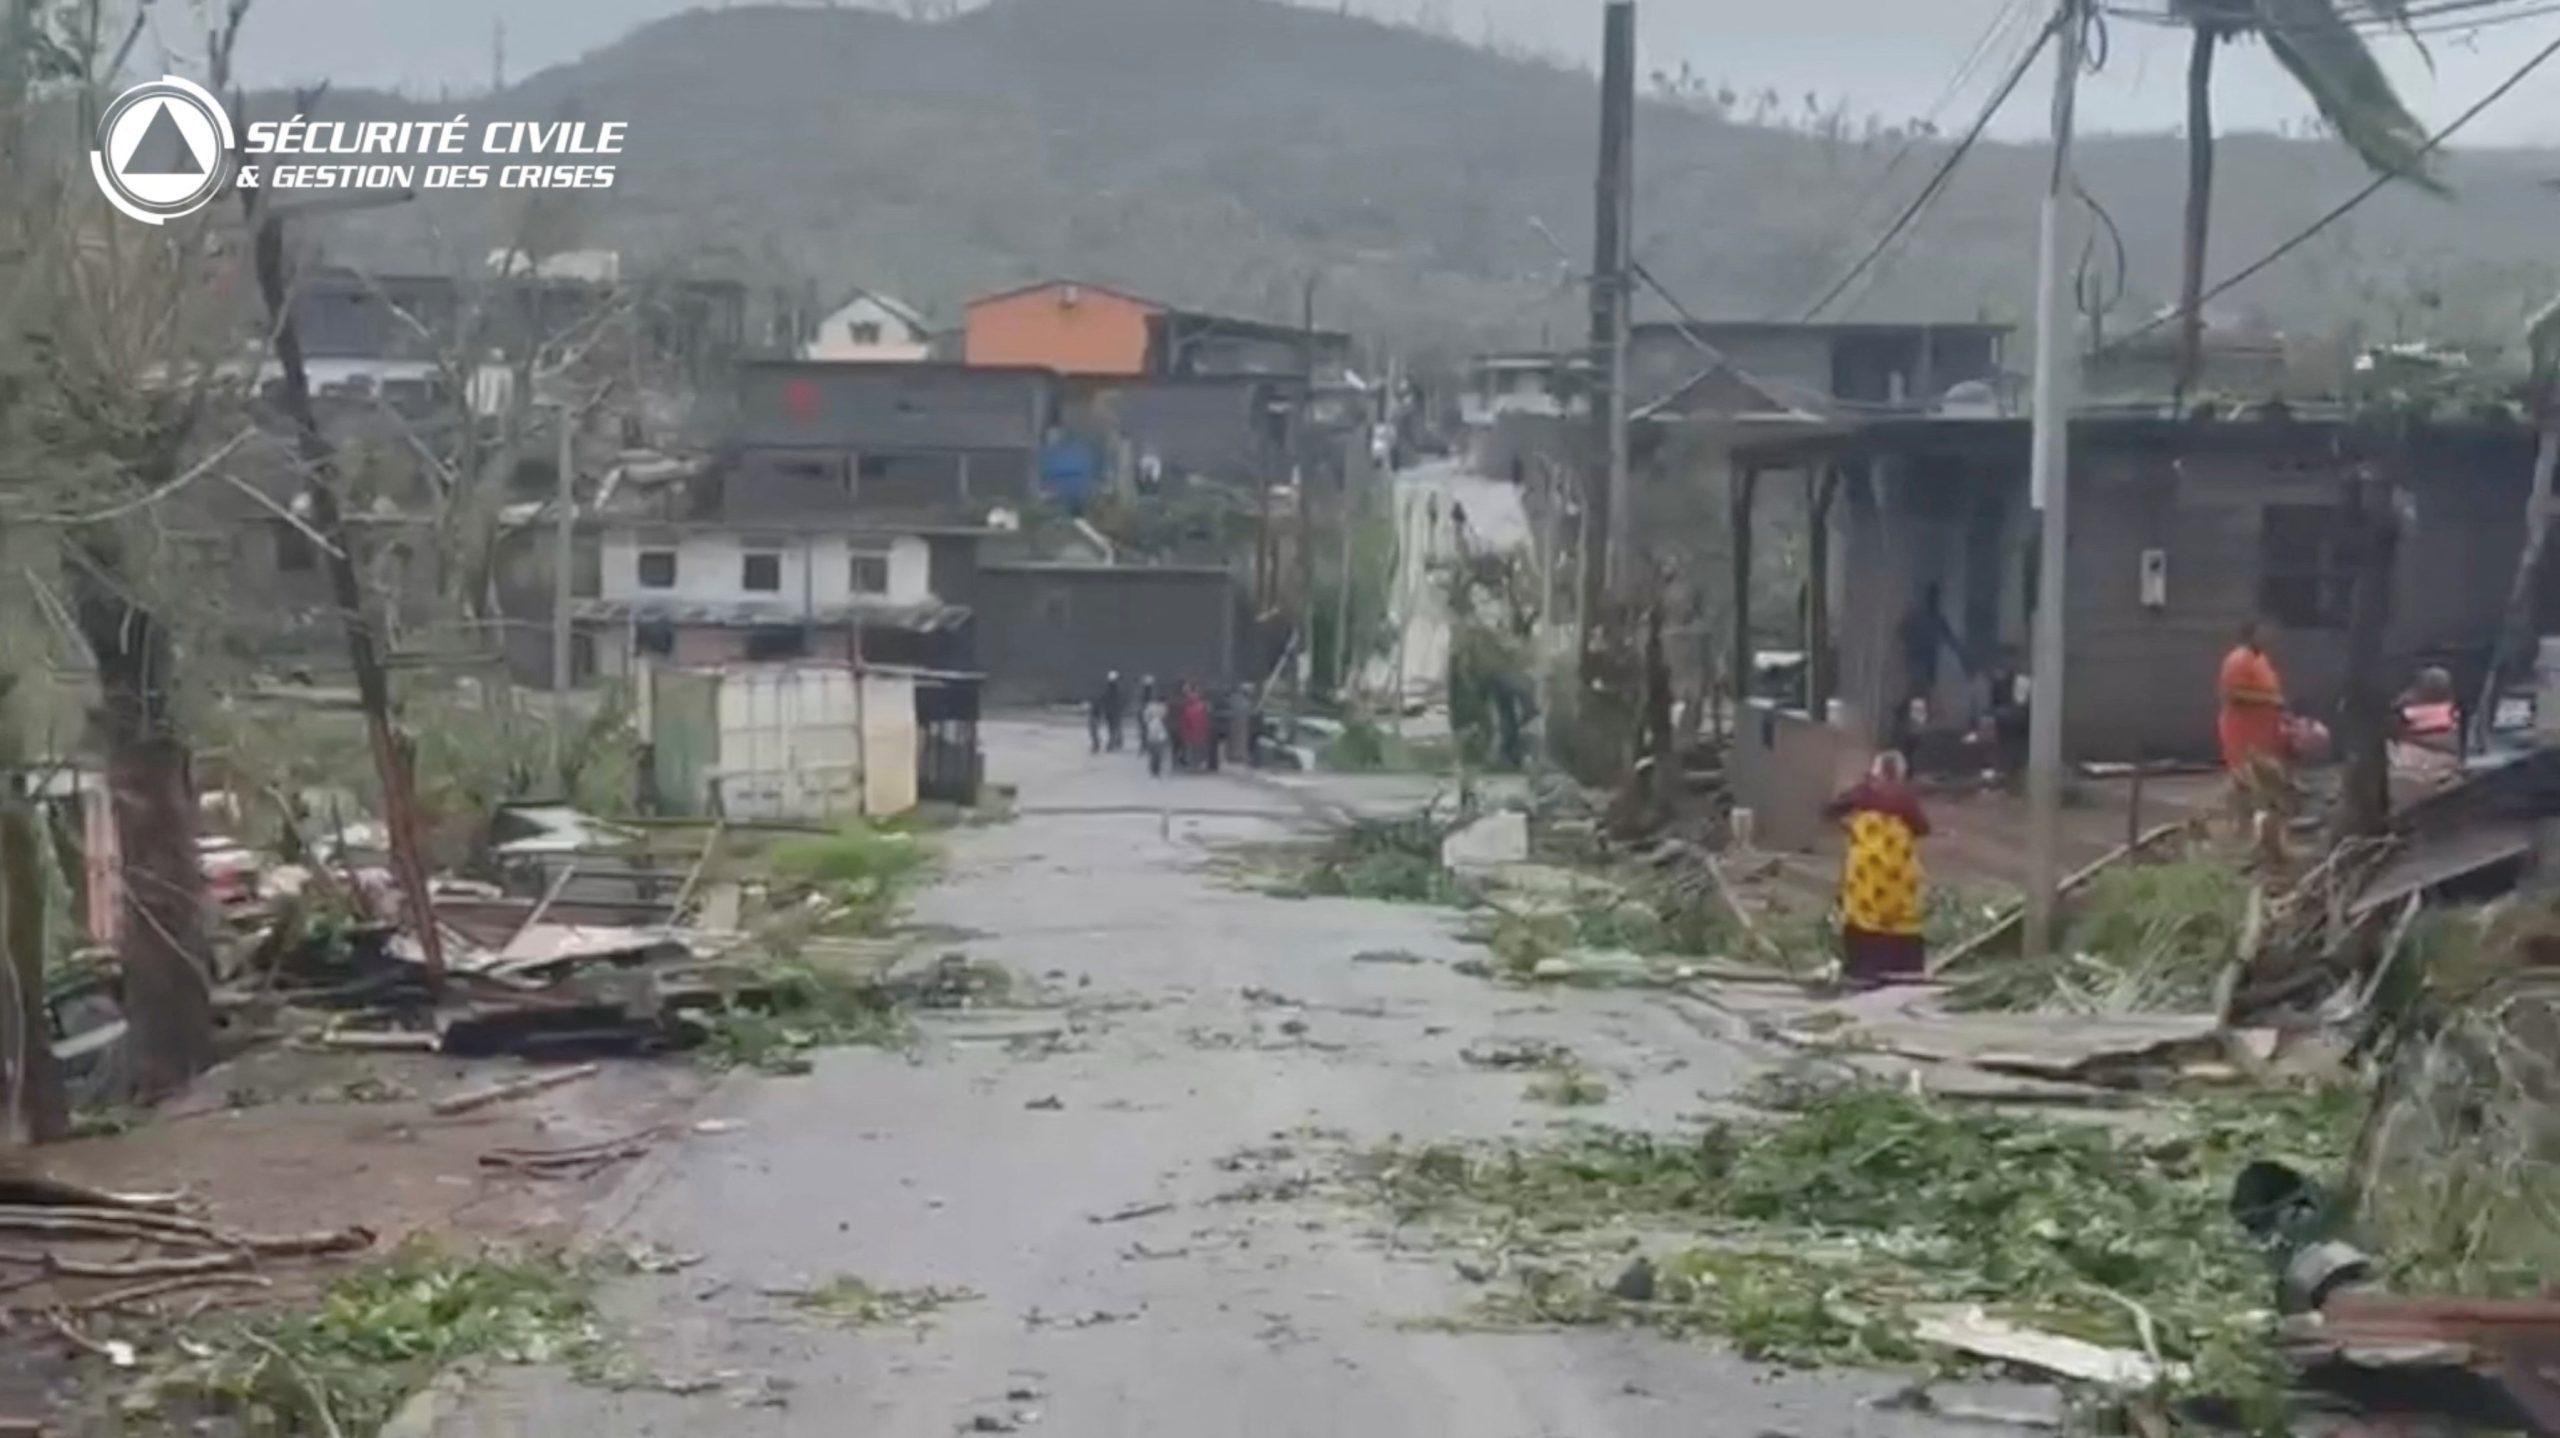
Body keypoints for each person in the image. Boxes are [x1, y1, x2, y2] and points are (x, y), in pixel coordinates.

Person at [1824, 751, 1933, 989]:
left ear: (1876, 770)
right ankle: (1903, 969)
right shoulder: (1906, 798)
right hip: (1897, 872)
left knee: (1863, 914)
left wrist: (1851, 828)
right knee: (1900, 915)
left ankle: (1863, 968)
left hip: (1867, 869)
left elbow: (1831, 810)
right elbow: (1923, 828)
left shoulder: (1863, 792)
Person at [2218, 619, 2292, 859]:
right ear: (2252, 634)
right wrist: (2267, 700)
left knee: (2264, 788)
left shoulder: (2260, 659)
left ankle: (2258, 840)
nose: (2272, 635)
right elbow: (2231, 693)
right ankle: (2244, 837)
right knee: (2249, 785)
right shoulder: (2238, 659)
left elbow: (2270, 691)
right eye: (2266, 631)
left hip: (2265, 733)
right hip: (2243, 733)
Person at [1175, 681, 1212, 772]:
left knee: (1191, 748)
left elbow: (1184, 721)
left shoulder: (1188, 707)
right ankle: (1198, 763)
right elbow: (1206, 719)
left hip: (1191, 731)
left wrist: (1183, 731)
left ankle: (1193, 763)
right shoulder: (1202, 705)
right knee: (1198, 748)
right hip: (1199, 731)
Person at [1137, 678, 1168, 778]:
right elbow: (1166, 718)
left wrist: (1145, 723)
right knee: (1158, 750)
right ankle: (1156, 768)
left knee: (1153, 750)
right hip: (1160, 732)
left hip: (1152, 730)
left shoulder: (1150, 706)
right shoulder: (1163, 707)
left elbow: (1145, 717)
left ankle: (1153, 768)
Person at [1092, 670, 1126, 754]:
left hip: (1111, 711)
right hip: (1113, 711)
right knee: (1114, 727)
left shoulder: (1111, 689)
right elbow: (1118, 700)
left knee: (1113, 728)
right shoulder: (1117, 689)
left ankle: (1113, 743)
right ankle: (1114, 742)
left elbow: (1104, 699)